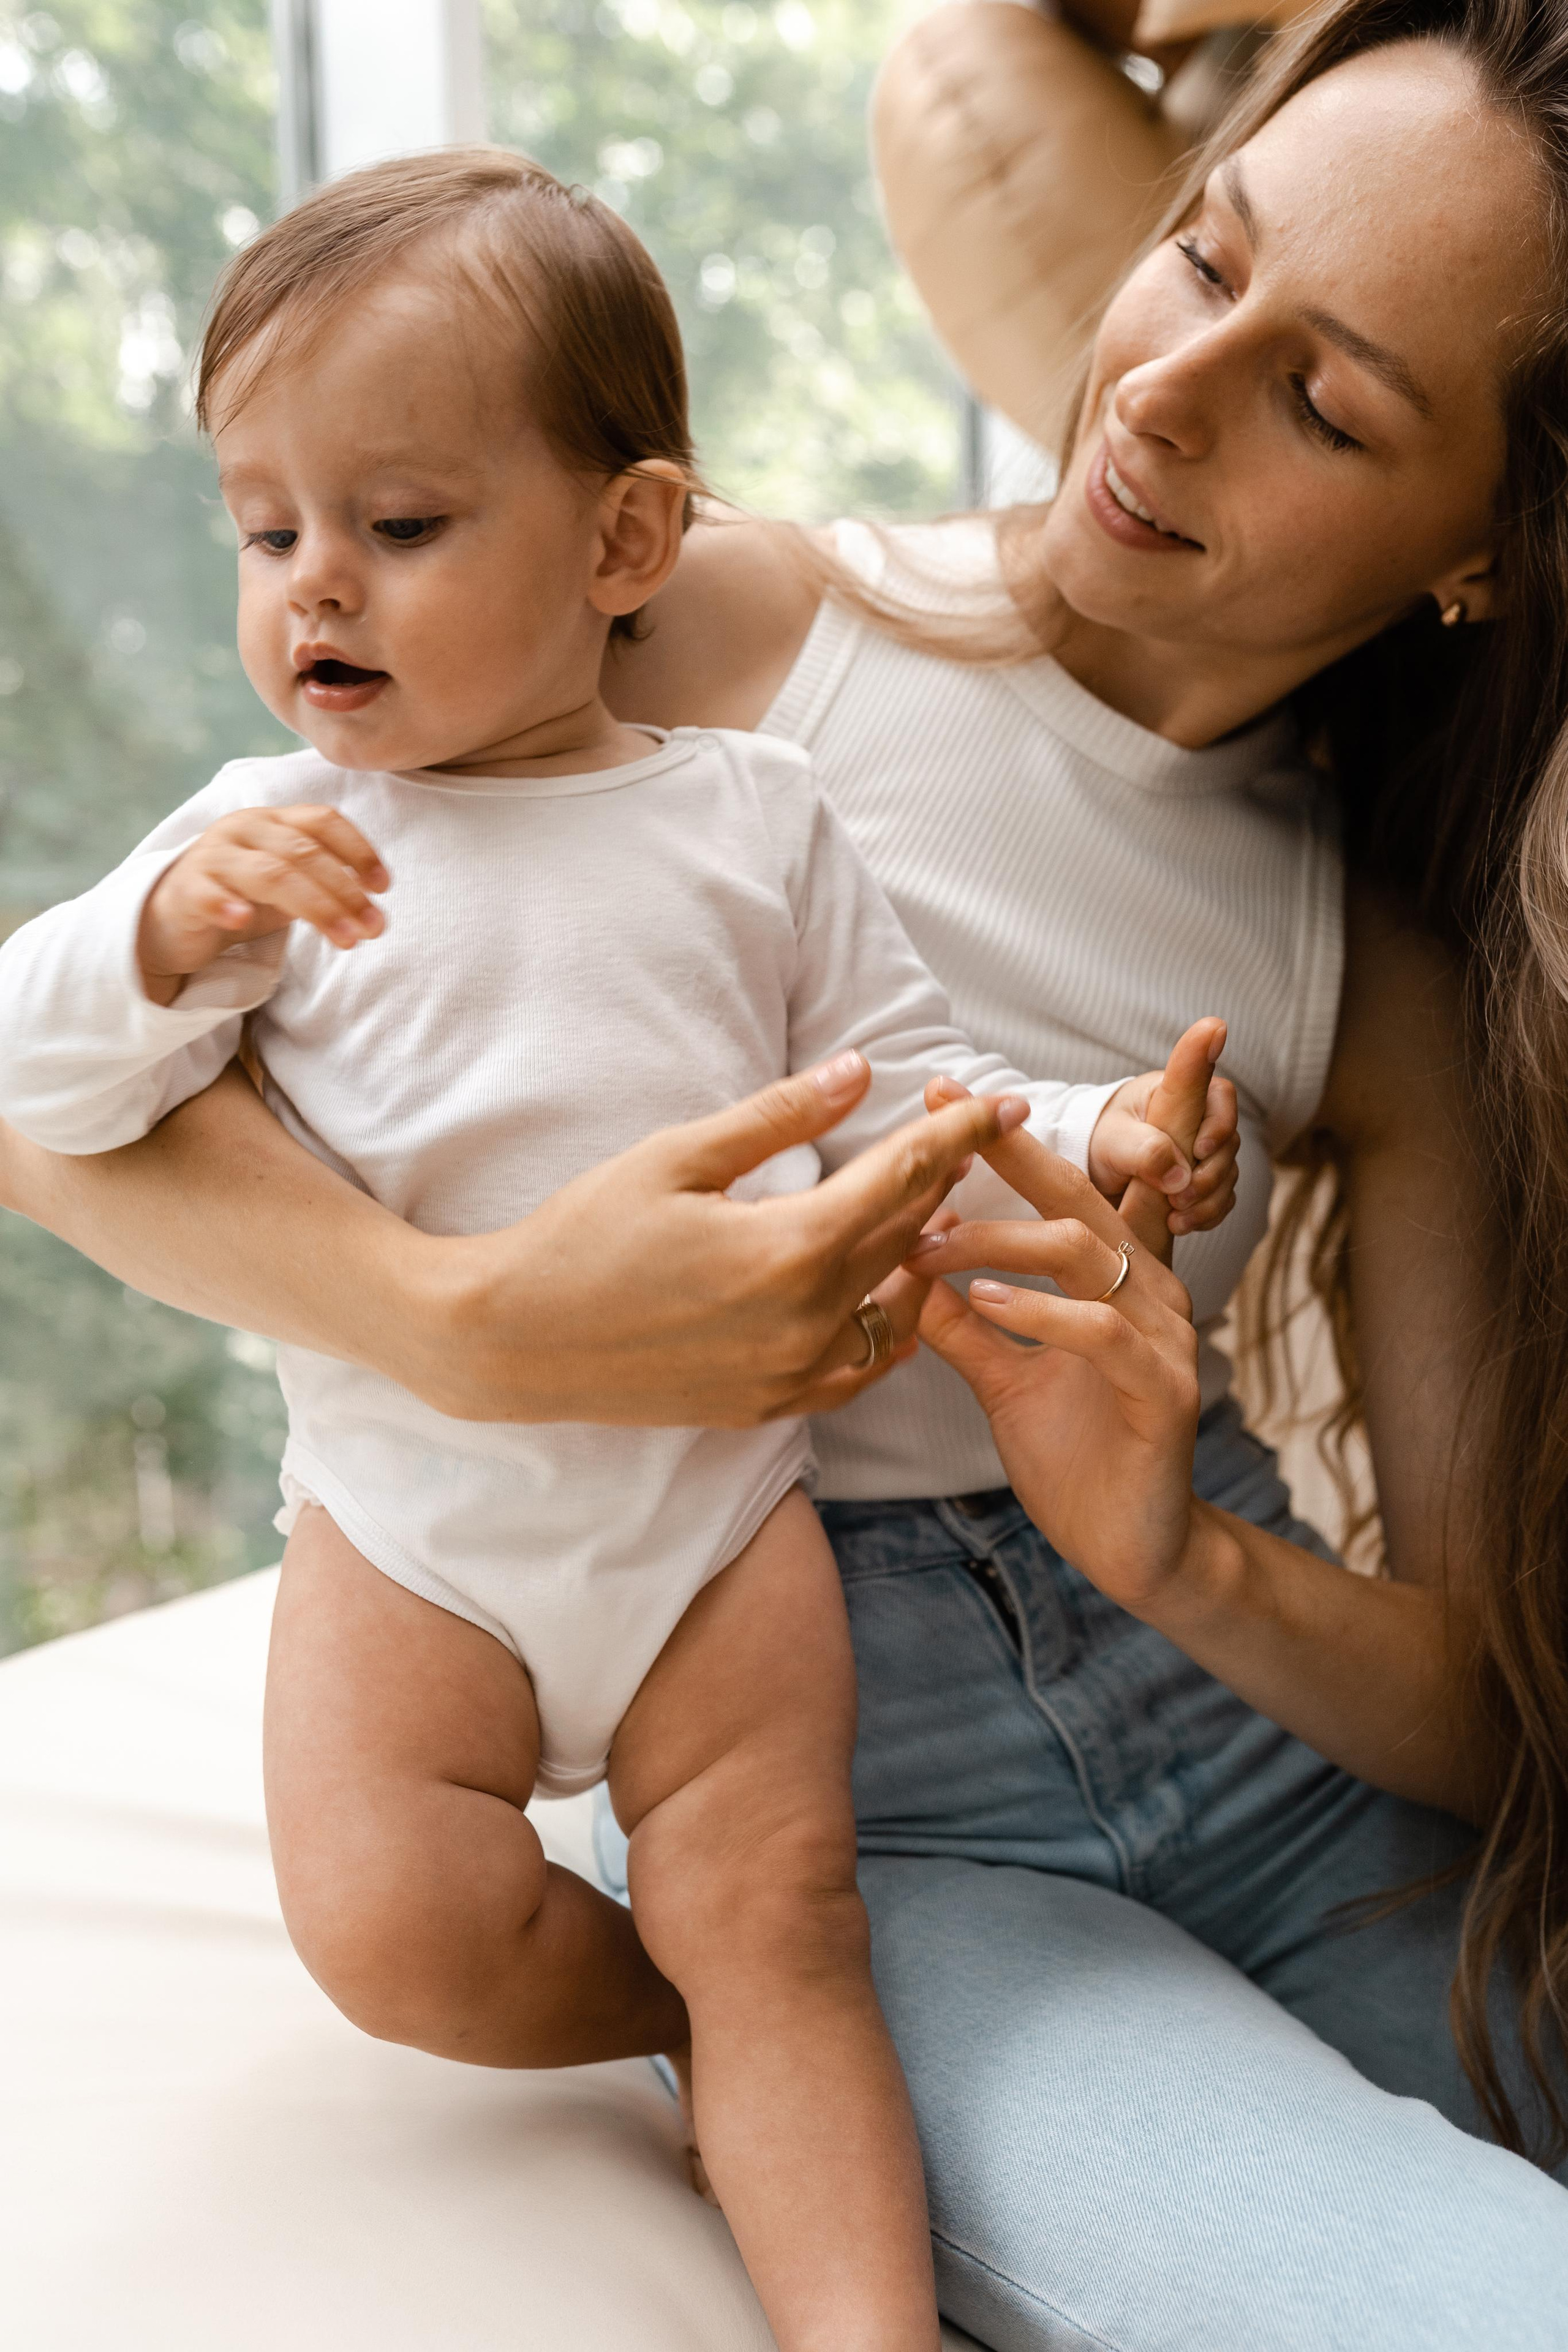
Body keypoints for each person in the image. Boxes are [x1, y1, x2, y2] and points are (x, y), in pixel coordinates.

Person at [6, 0, 1568, 2340]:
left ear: (1487, 547)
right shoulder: (647, 615)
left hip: (1265, 1733)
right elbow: (60, 1115)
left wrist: (1166, 1541)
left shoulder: (1391, 963)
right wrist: (466, 1323)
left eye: (1326, 399)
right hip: (830, 1758)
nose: (1159, 386)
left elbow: (1473, 1708)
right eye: (1199, 256)